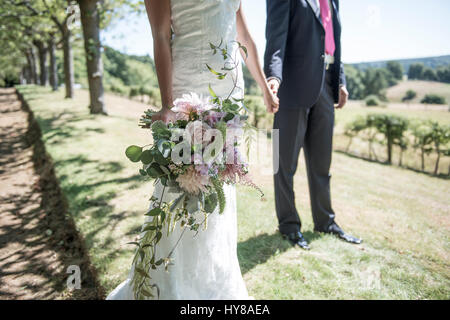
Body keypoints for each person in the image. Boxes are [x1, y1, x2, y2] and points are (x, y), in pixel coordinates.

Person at [107, 0, 278, 300]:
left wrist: (264, 88)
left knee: (219, 191)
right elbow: (160, 35)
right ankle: (169, 287)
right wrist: (166, 102)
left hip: (229, 94)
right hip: (190, 89)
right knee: (182, 187)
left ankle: (214, 288)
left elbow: (245, 39)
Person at [264, 0, 361, 250]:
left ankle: (325, 222)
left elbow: (332, 41)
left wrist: (340, 80)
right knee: (283, 163)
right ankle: (289, 225)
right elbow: (276, 37)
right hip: (293, 84)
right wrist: (273, 77)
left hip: (326, 86)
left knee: (321, 164)